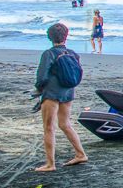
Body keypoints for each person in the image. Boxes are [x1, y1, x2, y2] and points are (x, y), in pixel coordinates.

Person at [33, 22, 88, 172]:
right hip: (68, 91)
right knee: (65, 124)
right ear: (66, 36)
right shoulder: (73, 54)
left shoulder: (49, 54)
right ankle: (80, 154)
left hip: (52, 93)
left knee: (49, 127)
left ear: (50, 37)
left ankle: (50, 164)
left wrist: (38, 89)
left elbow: (42, 76)